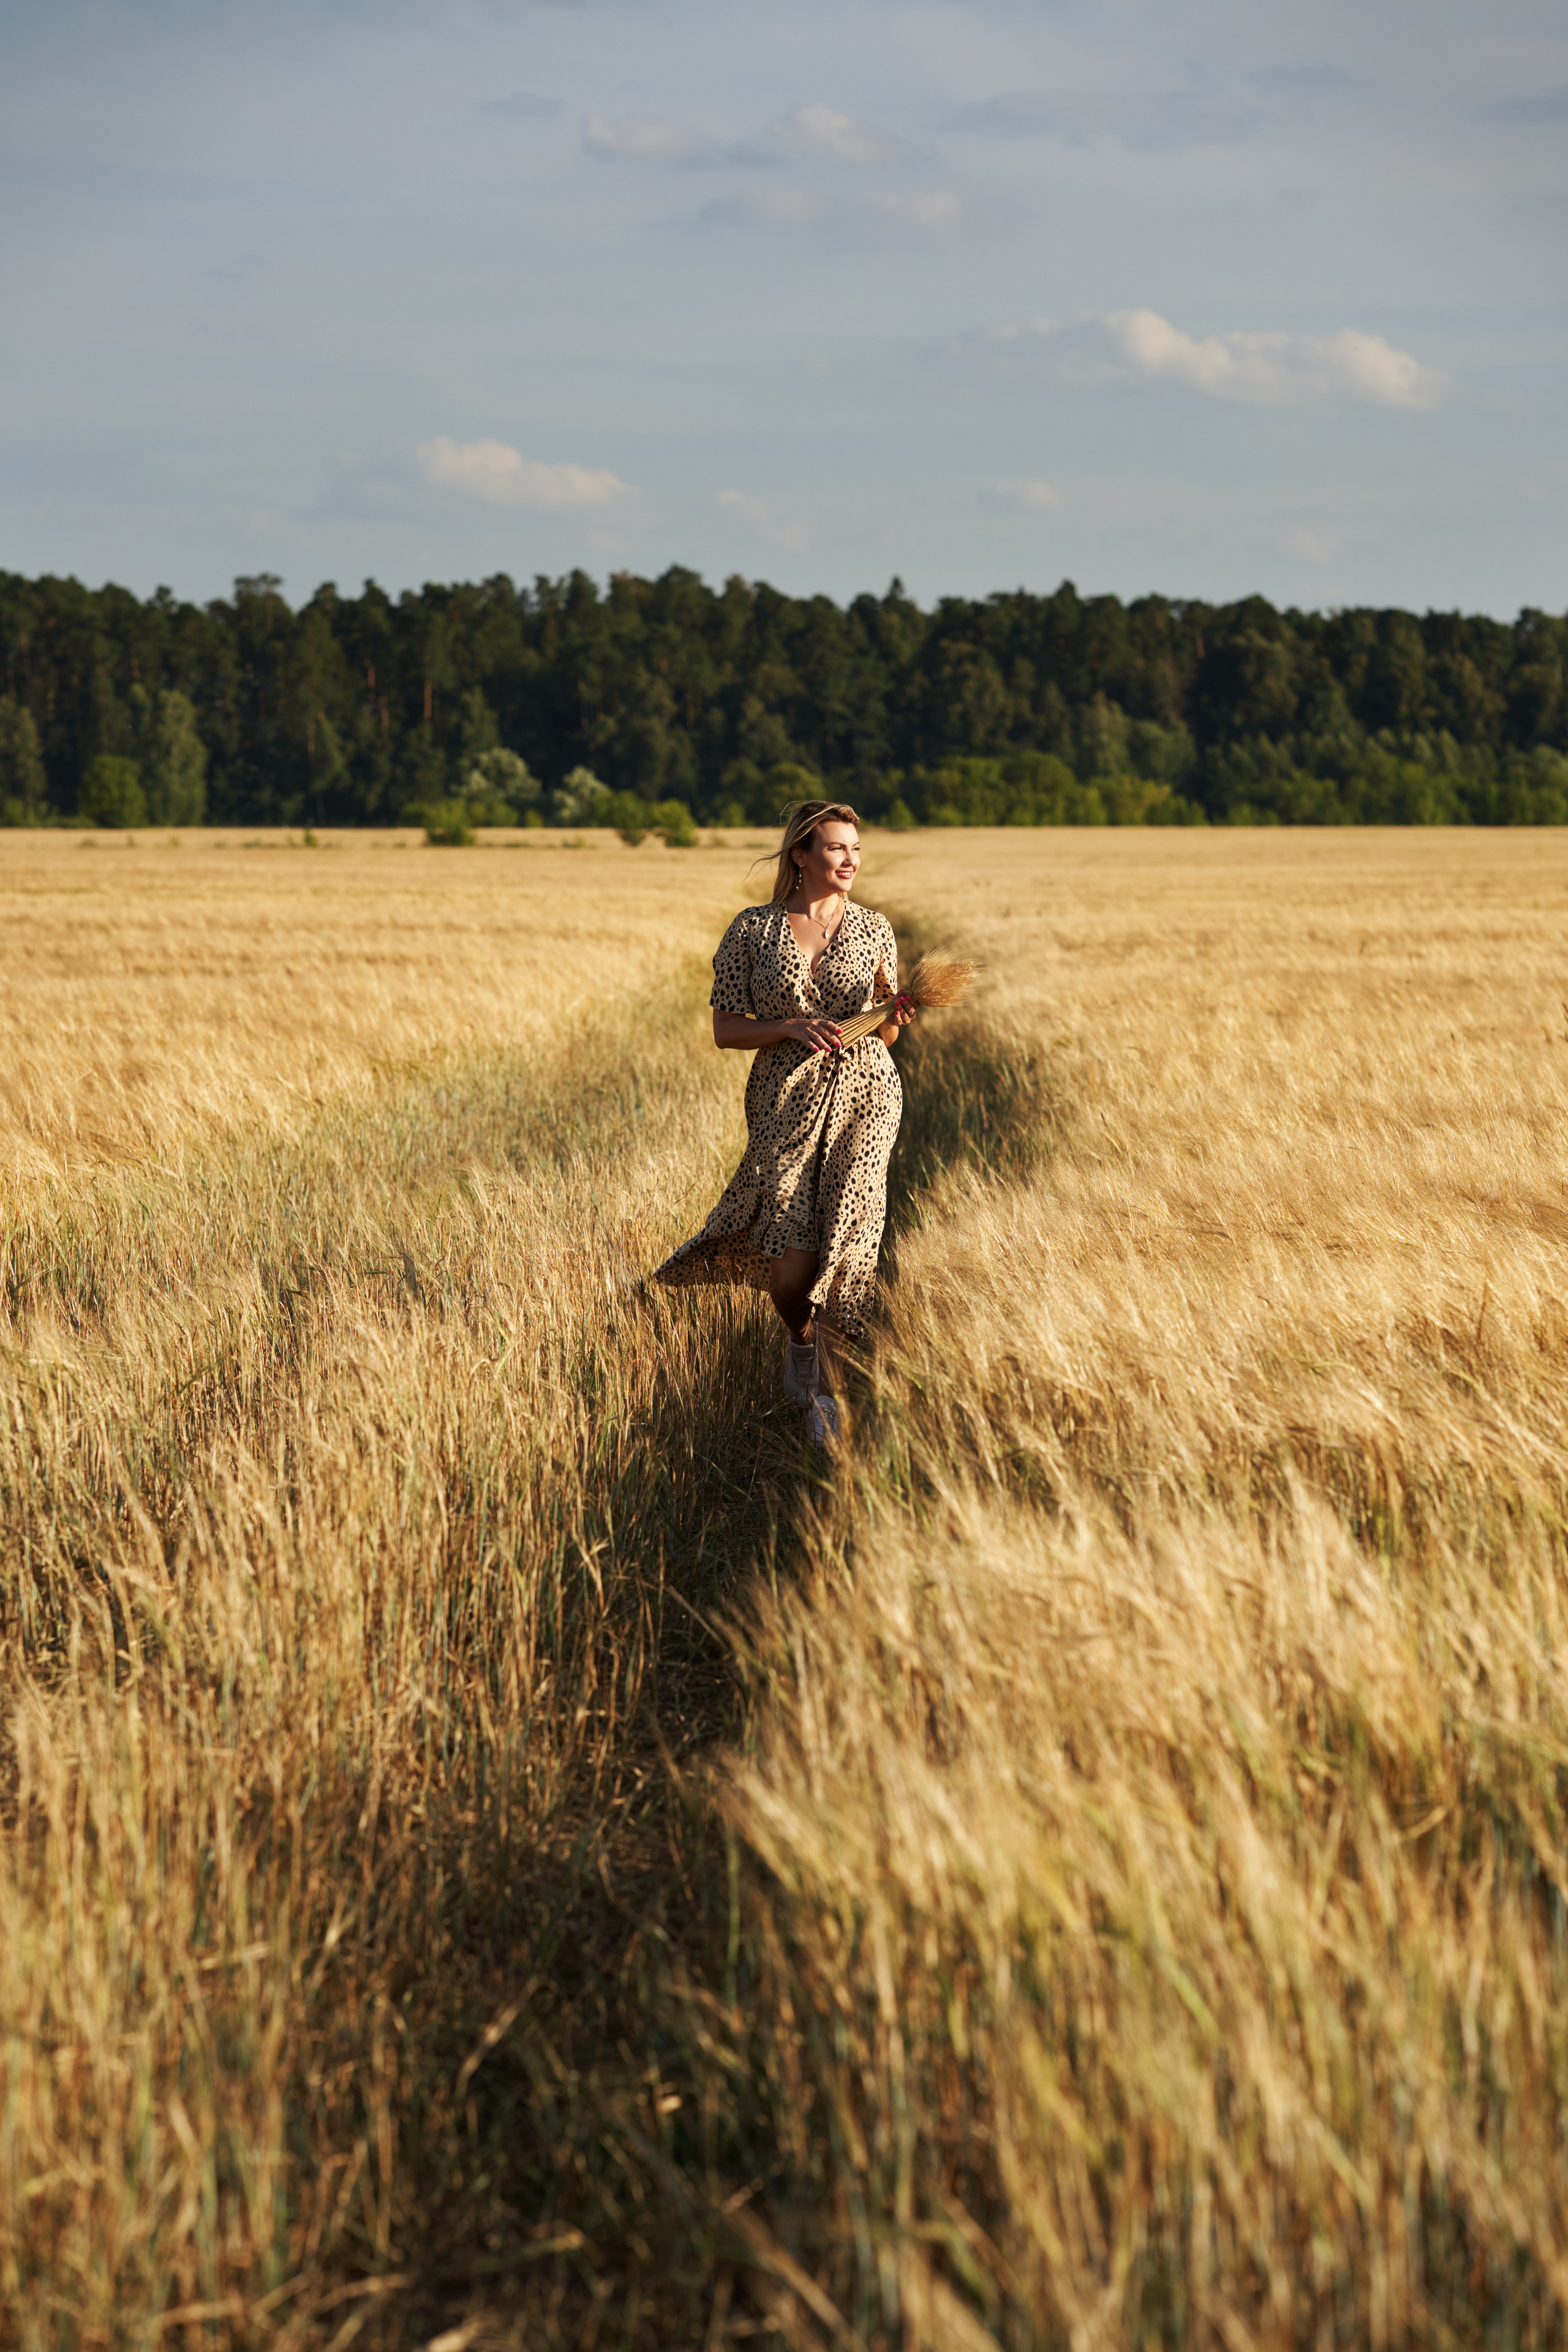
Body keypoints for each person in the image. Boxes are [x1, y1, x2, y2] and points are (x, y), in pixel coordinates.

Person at [653, 801, 914, 1444]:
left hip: (866, 1096)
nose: (851, 859)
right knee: (791, 1269)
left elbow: (884, 1034)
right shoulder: (752, 931)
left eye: (855, 848)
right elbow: (725, 1029)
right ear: (801, 855)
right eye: (836, 848)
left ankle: (827, 1401)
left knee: (849, 1244)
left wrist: (893, 1019)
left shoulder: (876, 928)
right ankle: (799, 1340)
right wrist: (788, 1027)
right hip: (783, 1099)